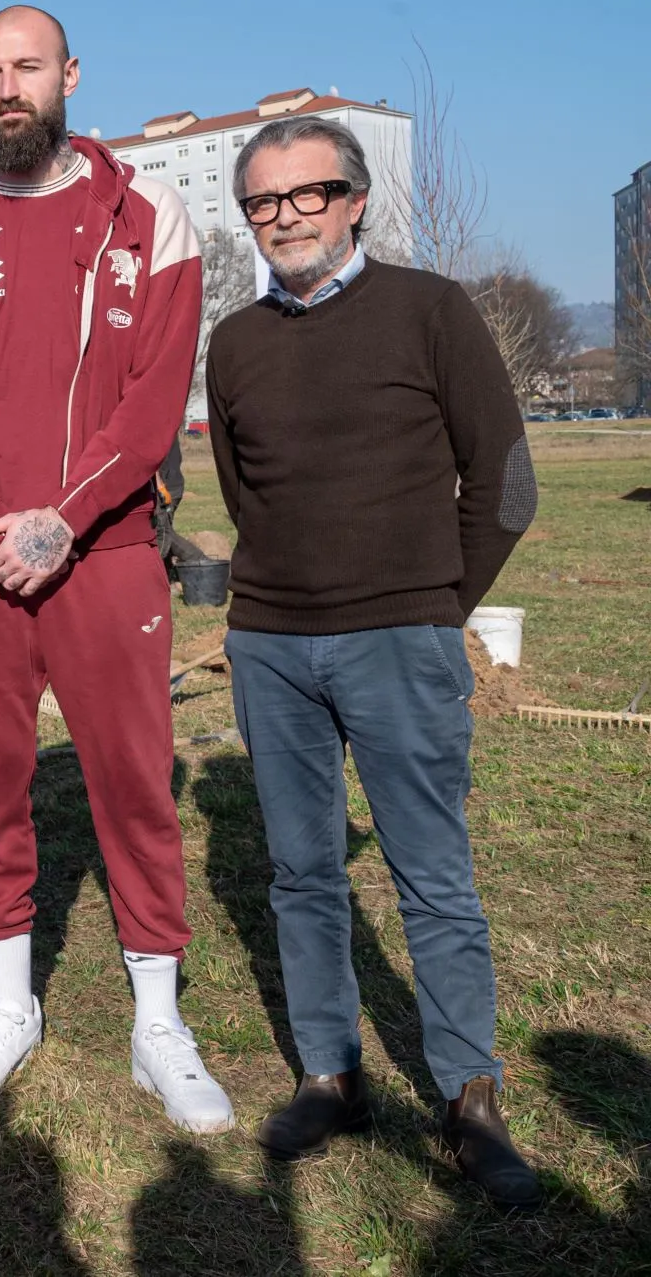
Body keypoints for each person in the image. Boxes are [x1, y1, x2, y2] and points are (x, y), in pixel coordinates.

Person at [0, 6, 233, 1131]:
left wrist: (65, 520)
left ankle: (156, 1023)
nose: (6, 87)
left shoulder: (148, 214)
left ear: (70, 74)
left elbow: (151, 398)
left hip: (110, 554)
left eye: (26, 66)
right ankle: (5, 1004)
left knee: (132, 784)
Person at [208, 116, 542, 1208]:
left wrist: (430, 606)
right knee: (301, 874)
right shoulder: (235, 341)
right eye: (262, 202)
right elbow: (242, 488)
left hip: (400, 642)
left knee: (430, 877)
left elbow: (503, 485)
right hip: (269, 649)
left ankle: (466, 1097)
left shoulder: (429, 311)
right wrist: (267, 610)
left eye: (307, 193)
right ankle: (327, 1072)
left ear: (354, 199)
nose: (285, 216)